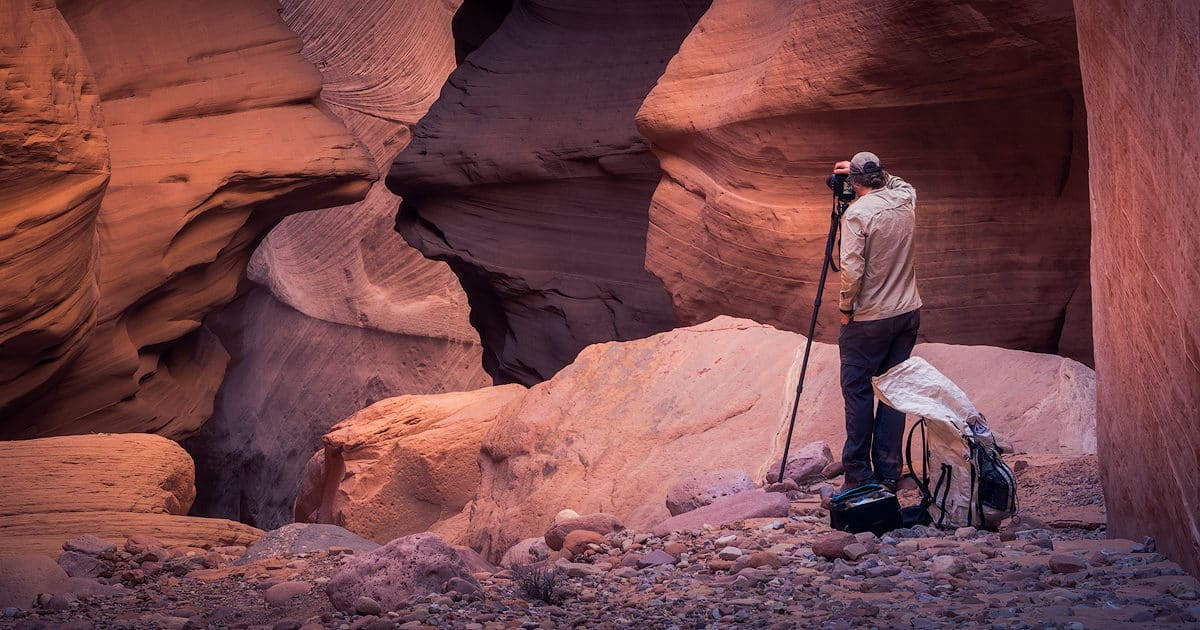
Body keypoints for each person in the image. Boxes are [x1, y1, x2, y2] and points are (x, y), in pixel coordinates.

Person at [831, 152, 922, 493]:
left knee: (857, 391)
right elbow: (898, 182)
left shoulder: (856, 214)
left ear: (853, 182)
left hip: (869, 318)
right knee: (892, 390)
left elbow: (851, 268)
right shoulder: (905, 198)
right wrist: (869, 169)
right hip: (907, 312)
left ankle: (858, 474)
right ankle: (888, 470)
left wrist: (845, 307)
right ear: (881, 175)